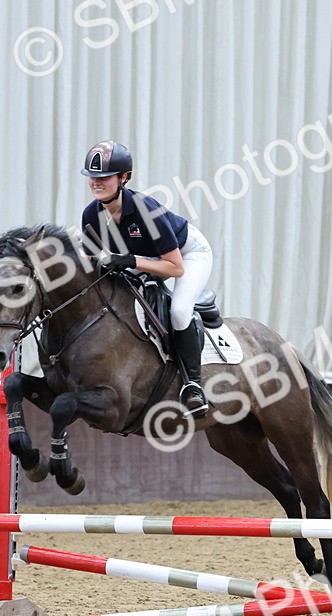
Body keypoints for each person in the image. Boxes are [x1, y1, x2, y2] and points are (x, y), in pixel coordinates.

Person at [80, 139, 211, 417]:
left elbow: (175, 268)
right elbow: (92, 266)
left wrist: (129, 261)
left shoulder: (144, 209)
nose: (96, 182)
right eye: (93, 177)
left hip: (187, 254)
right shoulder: (91, 215)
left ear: (123, 177)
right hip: (147, 258)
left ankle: (193, 386)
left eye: (104, 177)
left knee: (179, 310)